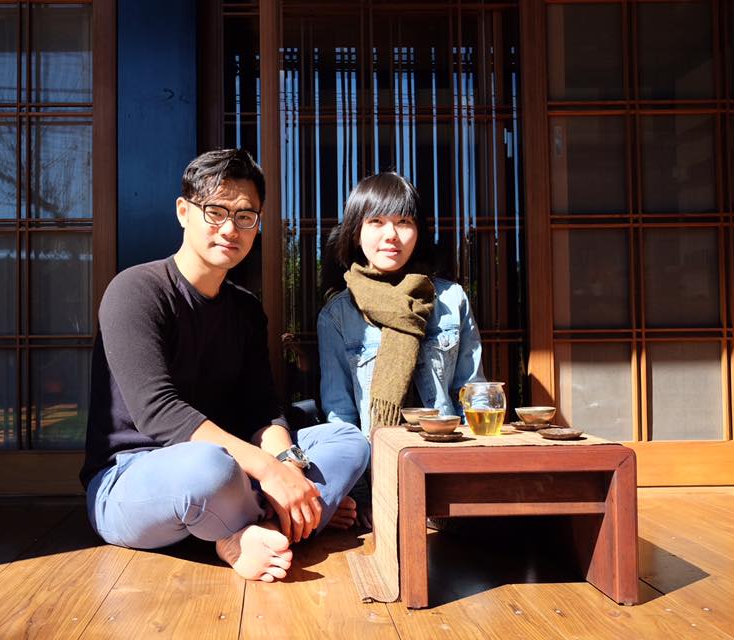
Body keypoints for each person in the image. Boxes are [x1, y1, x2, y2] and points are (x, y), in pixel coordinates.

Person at [81, 148, 369, 583]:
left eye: (245, 216)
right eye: (215, 212)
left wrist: (288, 465)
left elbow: (262, 408)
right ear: (184, 211)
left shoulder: (246, 310)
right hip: (136, 477)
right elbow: (158, 411)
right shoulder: (135, 291)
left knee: (347, 440)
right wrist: (270, 471)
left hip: (234, 473)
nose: (230, 228)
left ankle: (255, 532)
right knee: (210, 468)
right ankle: (301, 515)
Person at [316, 171, 485, 526]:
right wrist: (364, 497)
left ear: (418, 231)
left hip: (447, 476)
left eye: (403, 221)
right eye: (376, 221)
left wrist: (473, 479)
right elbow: (341, 419)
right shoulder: (337, 316)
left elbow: (473, 394)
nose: (391, 234)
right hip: (378, 482)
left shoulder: (451, 300)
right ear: (356, 232)